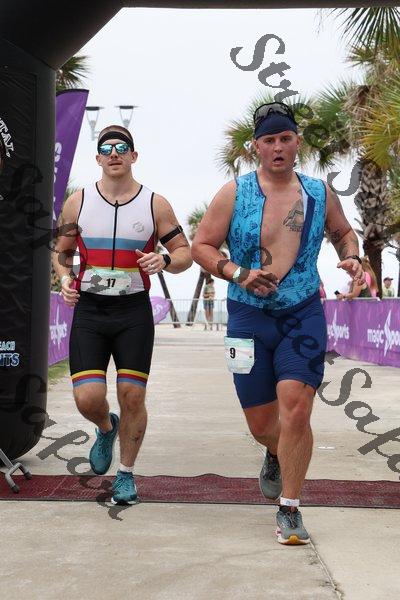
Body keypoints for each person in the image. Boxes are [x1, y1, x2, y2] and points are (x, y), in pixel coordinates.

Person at [191, 101, 364, 545]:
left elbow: (344, 232)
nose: (278, 147)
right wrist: (239, 273)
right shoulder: (235, 193)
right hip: (247, 317)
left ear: (297, 142)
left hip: (301, 313)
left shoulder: (318, 193)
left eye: (285, 138)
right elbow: (201, 246)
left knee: (297, 407)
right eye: (269, 140)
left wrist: (352, 258)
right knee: (262, 425)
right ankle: (274, 452)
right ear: (256, 147)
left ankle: (290, 507)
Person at [53, 124, 192, 505]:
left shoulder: (155, 204)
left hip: (133, 312)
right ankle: (105, 426)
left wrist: (164, 261)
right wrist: (65, 278)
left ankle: (126, 475)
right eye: (106, 148)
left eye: (121, 147)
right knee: (88, 398)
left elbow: (185, 254)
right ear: (98, 158)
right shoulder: (78, 202)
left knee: (132, 395)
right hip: (91, 310)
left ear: (134, 155)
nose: (114, 153)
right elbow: (62, 252)